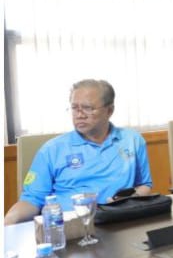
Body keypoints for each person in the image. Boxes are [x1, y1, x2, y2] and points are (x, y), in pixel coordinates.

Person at [5, 79, 152, 225]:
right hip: (69, 227)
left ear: (109, 110)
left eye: (88, 108)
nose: (79, 115)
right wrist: (9, 221)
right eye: (75, 108)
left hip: (118, 222)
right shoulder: (51, 150)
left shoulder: (132, 140)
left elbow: (144, 184)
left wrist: (129, 200)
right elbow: (31, 200)